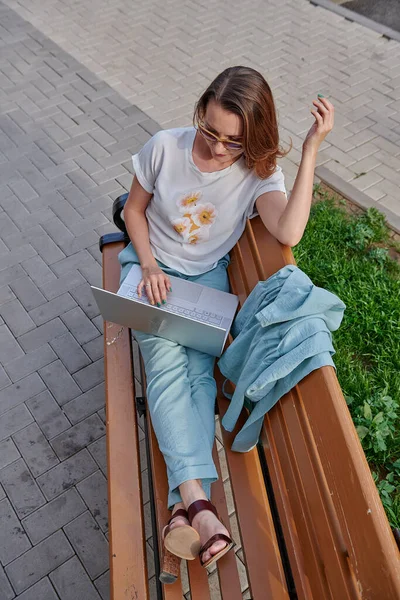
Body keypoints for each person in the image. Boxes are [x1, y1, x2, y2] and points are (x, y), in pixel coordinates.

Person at [118, 65, 334, 574]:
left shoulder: (257, 172)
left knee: (196, 373)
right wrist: (148, 263)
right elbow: (132, 212)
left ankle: (183, 510)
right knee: (172, 366)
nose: (217, 148)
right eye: (209, 130)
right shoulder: (165, 147)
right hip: (151, 270)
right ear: (200, 112)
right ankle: (200, 503)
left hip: (208, 283)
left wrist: (309, 152)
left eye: (233, 142)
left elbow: (289, 230)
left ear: (255, 138)